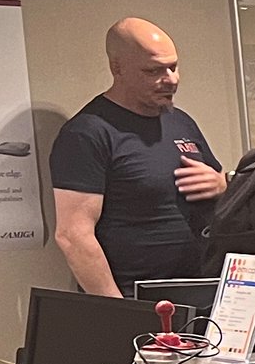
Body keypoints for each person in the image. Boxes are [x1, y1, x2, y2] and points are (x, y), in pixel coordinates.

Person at [49, 18, 227, 295]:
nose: (171, 80)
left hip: (202, 290)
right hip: (137, 297)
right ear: (117, 68)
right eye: (153, 70)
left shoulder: (181, 122)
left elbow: (219, 183)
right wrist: (118, 308)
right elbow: (73, 236)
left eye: (173, 67)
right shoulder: (87, 133)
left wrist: (221, 184)